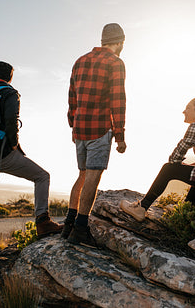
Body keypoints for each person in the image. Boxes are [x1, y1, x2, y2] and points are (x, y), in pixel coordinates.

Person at [0, 61, 63, 264]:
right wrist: (14, 146)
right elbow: (10, 122)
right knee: (42, 176)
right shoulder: (9, 93)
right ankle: (43, 222)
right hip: (2, 154)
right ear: (10, 77)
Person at [120, 97, 195, 221]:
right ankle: (186, 208)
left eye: (188, 108)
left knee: (168, 169)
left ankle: (142, 208)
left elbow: (174, 159)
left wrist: (178, 165)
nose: (184, 111)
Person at [63, 23, 127, 247]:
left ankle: (68, 224)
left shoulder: (80, 61)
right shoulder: (115, 63)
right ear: (119, 42)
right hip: (99, 128)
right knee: (93, 176)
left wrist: (73, 125)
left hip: (80, 128)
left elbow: (72, 98)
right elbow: (118, 101)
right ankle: (80, 229)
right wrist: (119, 136)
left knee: (82, 174)